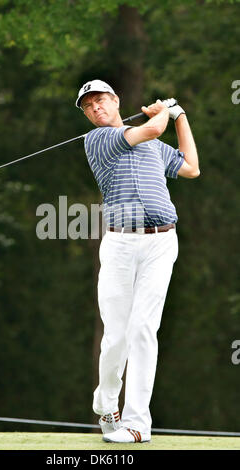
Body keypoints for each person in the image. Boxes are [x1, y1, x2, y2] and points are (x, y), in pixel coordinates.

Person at [75, 79, 200, 443]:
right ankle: (107, 398)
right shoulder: (97, 141)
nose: (96, 108)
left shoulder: (155, 147)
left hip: (162, 243)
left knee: (143, 330)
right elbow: (151, 128)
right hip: (119, 245)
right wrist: (164, 114)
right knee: (116, 336)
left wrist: (180, 117)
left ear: (115, 101)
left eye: (100, 101)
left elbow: (191, 167)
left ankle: (136, 425)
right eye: (89, 106)